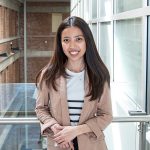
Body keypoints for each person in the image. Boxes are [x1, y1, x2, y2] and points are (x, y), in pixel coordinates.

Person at [35, 16, 113, 150]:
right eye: (66, 40)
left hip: (92, 144)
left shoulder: (99, 75)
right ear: (60, 44)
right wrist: (56, 129)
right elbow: (41, 109)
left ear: (87, 41)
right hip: (59, 144)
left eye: (78, 39)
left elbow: (106, 115)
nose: (72, 46)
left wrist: (75, 131)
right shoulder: (48, 74)